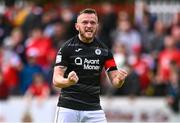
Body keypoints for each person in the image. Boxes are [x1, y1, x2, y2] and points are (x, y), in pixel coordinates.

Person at [52, 8, 128, 123]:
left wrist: (120, 80)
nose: (89, 25)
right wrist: (69, 81)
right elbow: (56, 79)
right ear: (77, 26)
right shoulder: (67, 48)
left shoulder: (104, 51)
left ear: (97, 26)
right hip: (68, 108)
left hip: (93, 109)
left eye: (92, 22)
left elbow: (115, 82)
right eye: (85, 22)